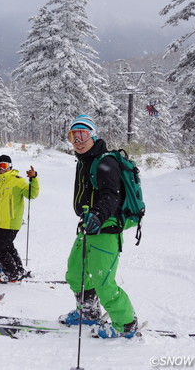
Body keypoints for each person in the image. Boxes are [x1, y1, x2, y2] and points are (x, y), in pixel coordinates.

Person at [59, 114, 138, 339]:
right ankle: (88, 312)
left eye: (83, 134)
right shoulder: (85, 161)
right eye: (73, 135)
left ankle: (126, 325)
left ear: (93, 134)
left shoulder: (105, 162)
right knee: (76, 273)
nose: (78, 140)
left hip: (106, 229)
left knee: (103, 281)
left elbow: (111, 196)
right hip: (88, 227)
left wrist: (97, 215)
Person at [0, 154, 39, 283]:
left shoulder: (18, 181)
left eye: (4, 166)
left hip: (12, 222)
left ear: (10, 166)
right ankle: (19, 270)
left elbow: (32, 194)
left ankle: (12, 274)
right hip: (0, 223)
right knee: (8, 247)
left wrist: (34, 179)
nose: (1, 169)